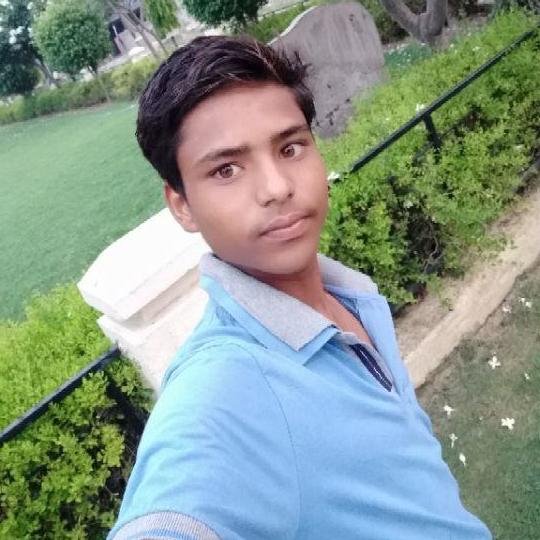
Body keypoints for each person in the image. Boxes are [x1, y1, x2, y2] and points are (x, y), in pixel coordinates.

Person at [107, 35, 492, 540]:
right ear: (182, 205)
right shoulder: (224, 388)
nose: (277, 187)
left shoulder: (349, 295)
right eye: (226, 169)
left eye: (289, 148)